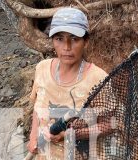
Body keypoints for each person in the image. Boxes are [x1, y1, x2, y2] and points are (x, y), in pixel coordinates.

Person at [26, 7, 108, 160]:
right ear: (52, 41)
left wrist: (71, 134)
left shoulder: (98, 78)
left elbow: (109, 124)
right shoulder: (42, 68)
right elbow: (38, 109)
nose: (67, 47)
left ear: (86, 41)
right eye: (59, 39)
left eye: (75, 39)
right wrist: (32, 137)